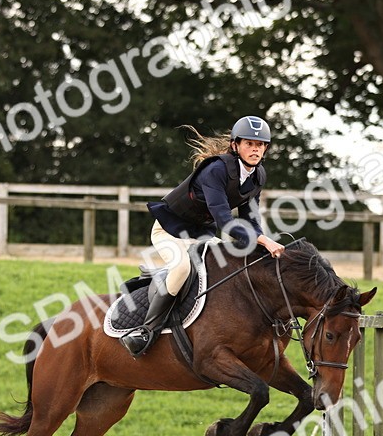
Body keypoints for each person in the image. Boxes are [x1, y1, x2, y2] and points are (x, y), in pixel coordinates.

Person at [120, 116, 286, 356]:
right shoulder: (216, 170)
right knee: (181, 269)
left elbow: (251, 220)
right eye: (249, 143)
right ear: (235, 146)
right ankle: (147, 330)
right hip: (170, 230)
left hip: (200, 234)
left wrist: (261, 244)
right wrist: (263, 240)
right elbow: (225, 222)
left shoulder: (257, 175)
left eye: (259, 145)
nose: (255, 149)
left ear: (266, 149)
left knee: (231, 263)